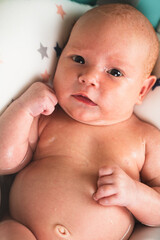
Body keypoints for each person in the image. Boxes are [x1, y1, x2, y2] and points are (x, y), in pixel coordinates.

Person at [0, 3, 160, 240]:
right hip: (23, 231)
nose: (89, 77)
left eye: (114, 72)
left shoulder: (146, 139)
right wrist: (22, 108)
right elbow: (5, 162)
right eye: (79, 58)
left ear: (142, 90)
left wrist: (135, 195)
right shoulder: (47, 115)